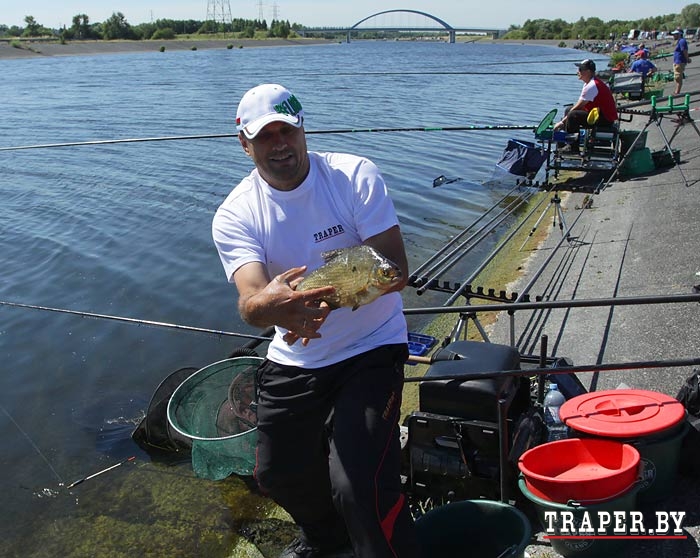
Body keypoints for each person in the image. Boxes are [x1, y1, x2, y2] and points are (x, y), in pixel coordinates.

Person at [212, 83, 419, 558]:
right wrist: (273, 306)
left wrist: (322, 304)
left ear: (304, 130)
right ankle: (330, 542)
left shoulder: (353, 176)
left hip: (372, 345)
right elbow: (249, 303)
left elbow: (395, 272)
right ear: (245, 143)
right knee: (277, 474)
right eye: (266, 136)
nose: (280, 144)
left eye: (288, 130)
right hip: (297, 353)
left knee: (357, 485)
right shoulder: (234, 213)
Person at [553, 59, 619, 154]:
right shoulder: (589, 83)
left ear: (588, 72)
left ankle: (573, 147)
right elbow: (579, 104)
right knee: (569, 110)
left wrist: (561, 122)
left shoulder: (592, 85)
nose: (577, 72)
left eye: (580, 69)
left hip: (605, 119)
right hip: (597, 114)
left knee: (573, 115)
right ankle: (564, 140)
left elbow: (579, 106)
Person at [672, 28, 690, 95]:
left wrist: (687, 59)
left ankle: (677, 92)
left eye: (675, 34)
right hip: (677, 62)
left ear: (679, 34)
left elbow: (684, 51)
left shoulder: (682, 41)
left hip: (679, 62)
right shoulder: (679, 41)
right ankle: (676, 91)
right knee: (677, 78)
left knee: (678, 77)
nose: (673, 36)